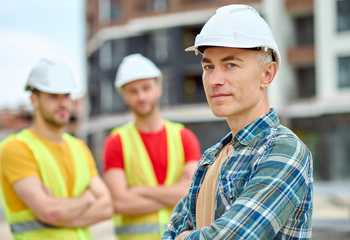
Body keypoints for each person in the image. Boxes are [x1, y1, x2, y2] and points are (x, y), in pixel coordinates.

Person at [162, 4, 313, 240]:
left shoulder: (285, 151)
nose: (214, 80)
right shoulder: (212, 156)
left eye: (230, 65)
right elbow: (170, 234)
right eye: (208, 66)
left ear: (267, 74)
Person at [0, 58, 113, 240]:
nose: (63, 103)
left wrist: (63, 213)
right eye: (53, 96)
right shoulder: (17, 148)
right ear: (34, 100)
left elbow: (107, 207)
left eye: (66, 95)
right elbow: (50, 213)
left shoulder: (79, 147)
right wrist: (87, 198)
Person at [102, 53, 202, 240]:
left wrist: (140, 191)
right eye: (133, 91)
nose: (141, 96)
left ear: (159, 87)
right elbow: (120, 202)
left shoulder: (184, 137)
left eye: (146, 88)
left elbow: (192, 192)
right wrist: (173, 194)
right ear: (123, 95)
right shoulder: (116, 141)